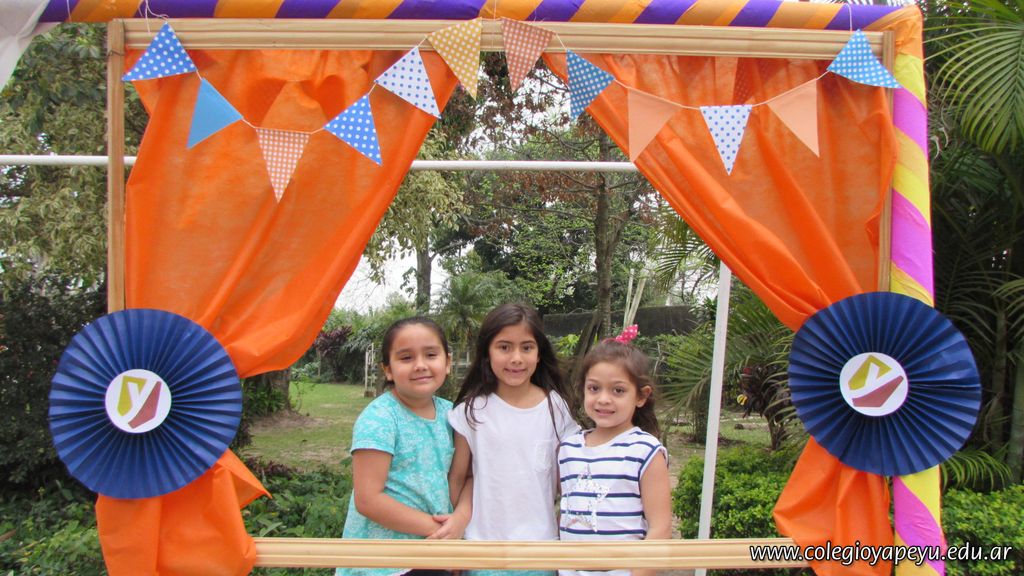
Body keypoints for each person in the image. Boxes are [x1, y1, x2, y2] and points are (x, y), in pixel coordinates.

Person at [448, 302, 581, 576]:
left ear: (539, 354)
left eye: (527, 347)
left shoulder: (555, 408)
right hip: (482, 551)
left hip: (540, 552)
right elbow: (458, 479)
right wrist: (453, 540)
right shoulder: (471, 411)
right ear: (487, 352)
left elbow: (566, 482)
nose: (516, 358)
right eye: (504, 347)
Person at [338, 317, 468, 576]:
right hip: (382, 564)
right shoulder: (380, 418)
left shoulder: (453, 416)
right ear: (388, 370)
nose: (420, 365)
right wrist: (439, 530)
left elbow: (466, 478)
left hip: (432, 555)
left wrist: (460, 521)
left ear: (447, 362)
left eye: (431, 354)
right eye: (406, 358)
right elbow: (368, 500)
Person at [556, 326, 672, 576]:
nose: (603, 399)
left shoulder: (646, 451)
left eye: (618, 390)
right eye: (594, 388)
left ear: (641, 396)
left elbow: (661, 528)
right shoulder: (568, 448)